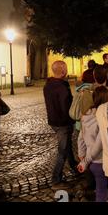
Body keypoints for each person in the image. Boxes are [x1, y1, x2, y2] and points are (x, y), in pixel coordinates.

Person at [43, 61, 78, 189]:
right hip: (63, 122)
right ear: (63, 70)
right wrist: (72, 118)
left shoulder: (48, 85)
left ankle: (75, 167)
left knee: (67, 145)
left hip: (53, 120)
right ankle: (56, 180)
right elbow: (66, 107)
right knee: (62, 151)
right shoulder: (62, 87)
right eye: (66, 68)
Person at [77, 86, 108, 202]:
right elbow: (99, 143)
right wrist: (86, 160)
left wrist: (82, 156)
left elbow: (80, 138)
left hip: (91, 162)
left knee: (99, 188)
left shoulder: (86, 115)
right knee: (103, 192)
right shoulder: (102, 117)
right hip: (100, 161)